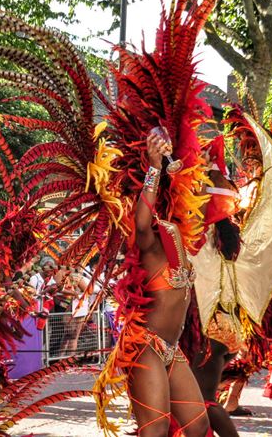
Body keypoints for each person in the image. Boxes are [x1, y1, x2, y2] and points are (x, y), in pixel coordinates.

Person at [96, 130, 210, 437]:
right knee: (156, 429)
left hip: (171, 349)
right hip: (144, 344)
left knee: (198, 426)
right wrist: (155, 166)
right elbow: (142, 222)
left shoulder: (179, 240)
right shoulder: (149, 240)